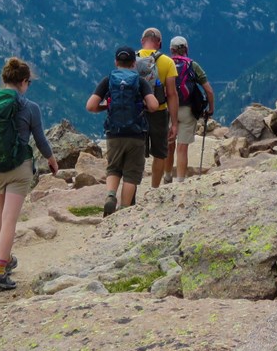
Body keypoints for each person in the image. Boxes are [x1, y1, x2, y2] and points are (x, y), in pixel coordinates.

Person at [0, 57, 59, 292]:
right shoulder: (29, 107)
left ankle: (6, 258)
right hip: (19, 167)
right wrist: (51, 160)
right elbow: (40, 139)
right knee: (10, 219)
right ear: (23, 81)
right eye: (28, 82)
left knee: (2, 215)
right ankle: (0, 272)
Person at [87, 45, 160, 216]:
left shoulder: (108, 80)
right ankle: (124, 211)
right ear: (134, 63)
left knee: (114, 168)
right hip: (136, 133)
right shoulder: (139, 81)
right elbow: (154, 105)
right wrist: (142, 105)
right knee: (131, 174)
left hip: (114, 132)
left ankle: (111, 195)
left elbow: (90, 105)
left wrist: (106, 107)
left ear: (116, 62)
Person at [168, 36, 215, 182]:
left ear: (171, 50)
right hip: (188, 111)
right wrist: (210, 108)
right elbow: (209, 90)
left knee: (169, 145)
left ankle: (167, 177)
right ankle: (180, 181)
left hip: (169, 111)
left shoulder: (165, 64)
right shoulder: (192, 65)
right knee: (182, 148)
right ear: (186, 49)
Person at [138, 27, 178, 190]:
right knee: (160, 153)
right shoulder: (167, 62)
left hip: (137, 112)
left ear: (142, 41)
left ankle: (133, 188)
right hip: (160, 111)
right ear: (159, 44)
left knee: (137, 151)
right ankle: (154, 189)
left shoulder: (132, 59)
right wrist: (174, 123)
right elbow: (172, 94)